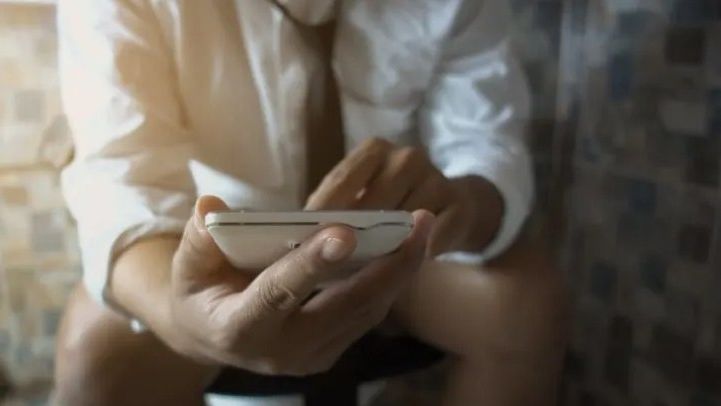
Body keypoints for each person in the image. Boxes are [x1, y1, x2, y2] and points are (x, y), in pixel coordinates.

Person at [53, 0, 566, 405]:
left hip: (394, 242)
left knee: (524, 306)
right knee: (95, 357)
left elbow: (486, 144)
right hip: (213, 249)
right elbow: (121, 180)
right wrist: (179, 317)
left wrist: (462, 206)